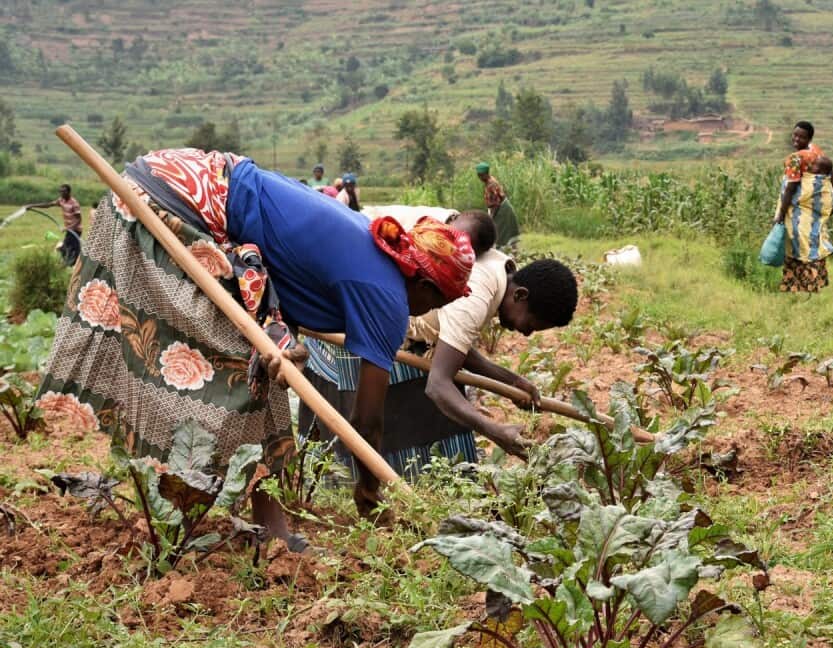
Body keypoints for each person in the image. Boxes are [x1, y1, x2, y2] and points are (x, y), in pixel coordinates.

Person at [36, 148, 474, 545]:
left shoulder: (374, 245)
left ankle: (268, 523)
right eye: (440, 300)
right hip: (175, 200)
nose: (433, 309)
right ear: (423, 284)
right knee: (234, 365)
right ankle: (185, 498)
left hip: (186, 179)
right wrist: (368, 491)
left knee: (261, 365)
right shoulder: (388, 296)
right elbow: (367, 420)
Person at [301, 209, 579, 476]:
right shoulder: (477, 294)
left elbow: (455, 345)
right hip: (352, 305)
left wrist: (512, 382)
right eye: (529, 326)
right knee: (362, 417)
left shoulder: (499, 268)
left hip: (385, 308)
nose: (526, 334)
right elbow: (438, 385)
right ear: (520, 296)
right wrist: (494, 430)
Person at [771, 122, 833, 293]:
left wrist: (781, 213)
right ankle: (814, 285)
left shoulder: (796, 158)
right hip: (814, 213)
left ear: (809, 138)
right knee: (813, 244)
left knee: (798, 247)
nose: (796, 139)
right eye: (795, 135)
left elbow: (790, 189)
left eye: (801, 136)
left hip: (799, 212)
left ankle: (801, 287)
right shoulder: (817, 151)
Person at [26, 184, 82, 266]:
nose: (62, 194)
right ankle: (71, 265)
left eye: (64, 192)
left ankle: (70, 265)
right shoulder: (61, 200)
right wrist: (32, 206)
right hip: (69, 230)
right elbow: (48, 205)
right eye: (60, 192)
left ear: (69, 192)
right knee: (70, 249)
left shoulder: (74, 203)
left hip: (76, 230)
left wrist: (68, 228)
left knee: (67, 249)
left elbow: (78, 219)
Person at [476, 162, 521, 250]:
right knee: (503, 232)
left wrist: (491, 218)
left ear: (486, 174)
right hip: (502, 208)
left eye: (481, 175)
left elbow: (496, 204)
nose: (480, 178)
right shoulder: (489, 181)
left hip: (502, 210)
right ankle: (513, 252)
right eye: (478, 176)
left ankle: (508, 253)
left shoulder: (491, 185)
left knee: (499, 233)